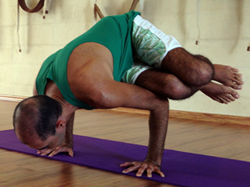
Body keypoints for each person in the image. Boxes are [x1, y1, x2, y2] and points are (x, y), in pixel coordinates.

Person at [13, 11, 243, 178]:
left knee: (197, 72)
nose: (41, 151)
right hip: (115, 67)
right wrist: (67, 142)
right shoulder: (41, 94)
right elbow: (64, 107)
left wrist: (153, 160)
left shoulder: (99, 93)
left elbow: (159, 105)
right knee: (176, 88)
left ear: (60, 124)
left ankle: (207, 75)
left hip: (126, 34)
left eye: (42, 146)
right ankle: (200, 83)